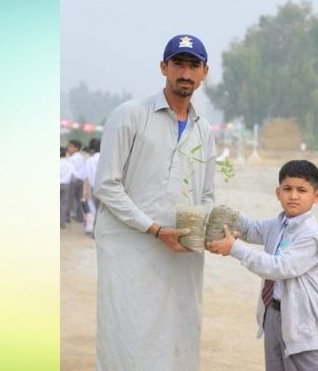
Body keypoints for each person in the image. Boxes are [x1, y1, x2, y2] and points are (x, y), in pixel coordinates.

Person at [92, 34, 217, 371]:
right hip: (128, 246)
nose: (186, 73)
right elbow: (106, 184)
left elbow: (206, 194)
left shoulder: (203, 130)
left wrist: (201, 231)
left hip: (180, 250)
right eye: (179, 63)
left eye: (194, 65)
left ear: (205, 72)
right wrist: (155, 228)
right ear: (164, 67)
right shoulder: (130, 115)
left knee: (179, 327)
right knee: (127, 330)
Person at [208, 160, 318, 371]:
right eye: (287, 189)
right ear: (278, 193)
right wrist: (224, 214)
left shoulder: (312, 234)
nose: (293, 196)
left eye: (302, 190)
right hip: (273, 315)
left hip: (301, 322)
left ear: (316, 196)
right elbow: (251, 228)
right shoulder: (279, 224)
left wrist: (234, 248)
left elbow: (279, 267)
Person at [82, 138, 101, 235]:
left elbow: (86, 178)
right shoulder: (107, 158)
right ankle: (98, 231)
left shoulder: (90, 160)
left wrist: (85, 191)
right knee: (101, 211)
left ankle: (93, 230)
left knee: (94, 209)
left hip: (93, 187)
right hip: (105, 188)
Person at [66, 139, 85, 223]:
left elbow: (70, 171)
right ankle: (80, 216)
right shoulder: (82, 157)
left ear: (76, 148)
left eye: (70, 146)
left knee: (69, 199)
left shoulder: (71, 158)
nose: (68, 148)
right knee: (79, 200)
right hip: (81, 181)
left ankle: (66, 217)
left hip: (73, 181)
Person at [59, 146, 76, 229]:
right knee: (63, 204)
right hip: (65, 185)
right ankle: (62, 222)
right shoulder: (69, 164)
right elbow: (75, 176)